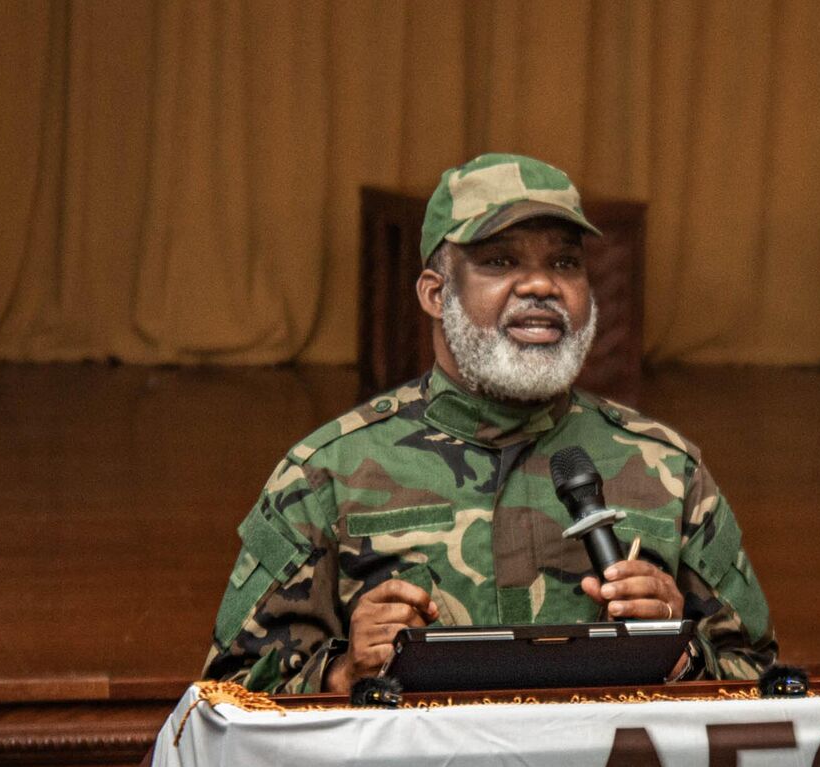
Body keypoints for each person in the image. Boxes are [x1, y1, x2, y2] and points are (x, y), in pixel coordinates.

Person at [202, 153, 777, 694]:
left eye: (565, 263)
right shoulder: (325, 474)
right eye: (500, 261)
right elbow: (227, 698)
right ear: (435, 293)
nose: (541, 286)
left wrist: (682, 657)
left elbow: (767, 681)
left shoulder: (671, 470)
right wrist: (343, 673)